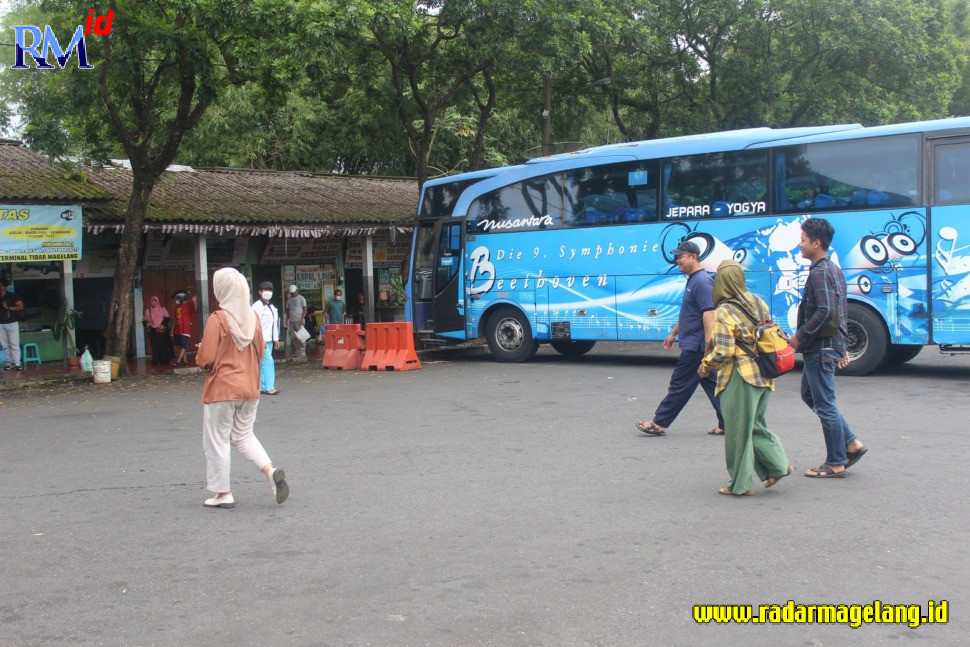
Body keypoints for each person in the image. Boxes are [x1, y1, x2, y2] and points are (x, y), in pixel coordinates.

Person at [196, 267, 289, 509]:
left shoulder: (218, 319)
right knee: (243, 435)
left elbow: (204, 359)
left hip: (223, 390)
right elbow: (261, 351)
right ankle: (270, 471)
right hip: (250, 389)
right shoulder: (254, 318)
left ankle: (222, 493)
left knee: (217, 439)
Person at [699, 260, 794, 495]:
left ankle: (740, 484)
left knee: (738, 431)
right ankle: (778, 466)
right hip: (764, 372)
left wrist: (705, 365)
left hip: (741, 376)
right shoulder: (758, 302)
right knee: (755, 425)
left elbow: (723, 350)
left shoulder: (724, 311)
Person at [790, 217, 867, 478]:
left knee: (825, 404)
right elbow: (840, 312)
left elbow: (826, 311)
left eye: (802, 240)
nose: (799, 245)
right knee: (811, 396)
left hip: (820, 347)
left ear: (816, 242)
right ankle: (851, 443)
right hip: (827, 345)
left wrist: (800, 335)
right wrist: (842, 345)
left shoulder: (821, 271)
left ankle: (836, 462)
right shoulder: (831, 268)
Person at [635, 240, 725, 436]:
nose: (678, 261)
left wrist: (710, 345)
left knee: (680, 384)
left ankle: (660, 423)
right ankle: (728, 423)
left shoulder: (701, 282)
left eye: (681, 257)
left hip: (697, 346)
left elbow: (708, 313)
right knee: (712, 384)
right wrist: (674, 332)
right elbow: (690, 313)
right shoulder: (693, 279)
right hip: (695, 342)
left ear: (693, 256)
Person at [252, 280, 280, 395]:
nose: (268, 292)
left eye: (270, 290)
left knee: (264, 362)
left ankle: (264, 387)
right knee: (269, 361)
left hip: (270, 339)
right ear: (260, 292)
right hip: (261, 339)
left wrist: (276, 338)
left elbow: (274, 324)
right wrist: (260, 339)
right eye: (265, 290)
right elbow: (255, 325)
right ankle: (269, 387)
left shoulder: (272, 307)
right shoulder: (256, 306)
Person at [142, 296, 175, 365]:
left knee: (165, 345)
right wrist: (146, 323)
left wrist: (162, 324)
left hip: (163, 330)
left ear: (158, 302)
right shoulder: (148, 311)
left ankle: (166, 359)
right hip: (154, 331)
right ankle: (157, 360)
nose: (154, 303)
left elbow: (167, 318)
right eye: (152, 301)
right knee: (156, 346)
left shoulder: (163, 309)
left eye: (155, 301)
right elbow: (144, 321)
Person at [0, 281, 25, 371]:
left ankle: (17, 363)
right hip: (0, 324)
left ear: (3, 286)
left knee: (14, 344)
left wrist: (8, 307)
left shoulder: (12, 296)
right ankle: (9, 362)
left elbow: (20, 306)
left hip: (12, 322)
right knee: (5, 345)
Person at [171, 290, 196, 367]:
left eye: (177, 299)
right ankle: (185, 361)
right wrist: (172, 329)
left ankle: (178, 361)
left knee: (184, 345)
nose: (176, 301)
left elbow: (195, 309)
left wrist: (194, 302)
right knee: (181, 345)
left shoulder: (188, 305)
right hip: (178, 329)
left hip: (185, 329)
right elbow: (175, 319)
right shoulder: (177, 307)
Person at [285, 284, 308, 359]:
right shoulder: (289, 299)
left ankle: (302, 351)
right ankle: (297, 351)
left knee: (301, 336)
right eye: (291, 292)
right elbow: (287, 309)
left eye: (293, 292)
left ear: (297, 291)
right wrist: (287, 318)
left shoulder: (301, 298)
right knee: (294, 337)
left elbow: (305, 309)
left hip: (299, 319)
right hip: (291, 319)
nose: (292, 294)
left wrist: (302, 318)